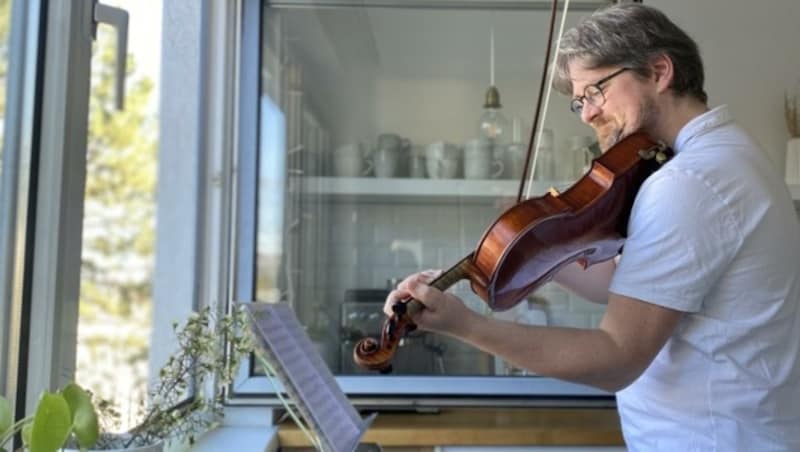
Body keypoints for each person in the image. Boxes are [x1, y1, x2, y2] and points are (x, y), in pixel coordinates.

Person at [384, 4, 800, 450]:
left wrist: (465, 326)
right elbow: (632, 286)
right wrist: (534, 242)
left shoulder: (689, 183)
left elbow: (616, 356)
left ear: (659, 71)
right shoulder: (726, 156)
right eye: (579, 101)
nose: (586, 114)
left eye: (596, 91)